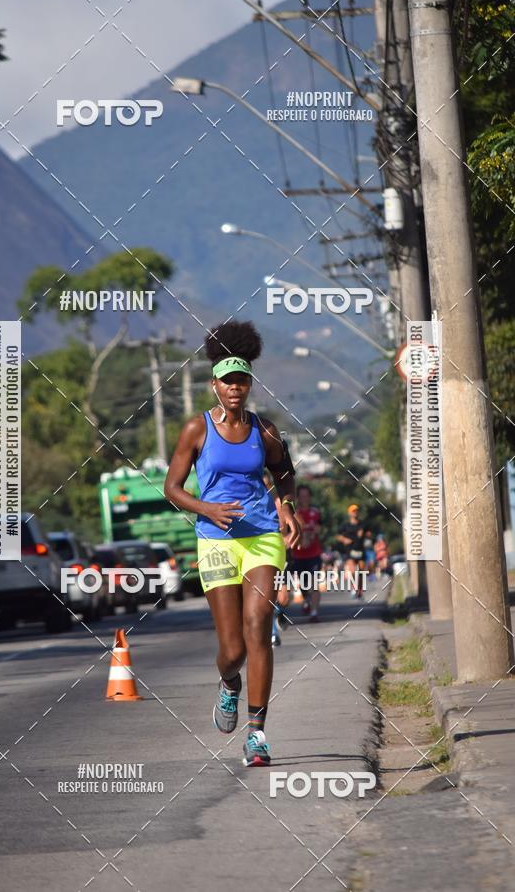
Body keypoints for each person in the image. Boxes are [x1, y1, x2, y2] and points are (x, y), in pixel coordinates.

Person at [164, 320, 301, 767]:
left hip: (261, 536)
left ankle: (257, 733)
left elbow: (284, 472)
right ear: (215, 386)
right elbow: (172, 487)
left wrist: (287, 508)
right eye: (228, 381)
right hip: (216, 540)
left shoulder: (266, 431)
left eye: (242, 380)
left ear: (249, 384)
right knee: (233, 650)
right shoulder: (196, 430)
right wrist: (207, 509)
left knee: (258, 623)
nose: (235, 388)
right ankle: (229, 685)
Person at [263, 471, 291, 647]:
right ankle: (272, 634)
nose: (264, 489)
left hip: (280, 556)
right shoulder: (250, 505)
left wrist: (288, 538)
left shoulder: (280, 504)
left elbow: (296, 523)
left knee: (283, 598)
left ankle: (280, 613)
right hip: (261, 556)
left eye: (267, 485)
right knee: (266, 597)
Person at [290, 484, 323, 622]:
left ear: (310, 497)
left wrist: (312, 534)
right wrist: (301, 538)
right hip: (298, 555)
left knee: (314, 583)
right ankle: (306, 599)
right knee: (304, 585)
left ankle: (314, 613)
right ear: (298, 498)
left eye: (307, 496)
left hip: (314, 553)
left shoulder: (315, 512)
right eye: (302, 496)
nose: (304, 498)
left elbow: (319, 528)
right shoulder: (293, 513)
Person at [335, 504, 366, 598]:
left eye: (356, 511)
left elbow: (369, 533)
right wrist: (344, 540)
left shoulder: (362, 524)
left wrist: (365, 534)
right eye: (353, 511)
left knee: (360, 571)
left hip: (360, 550)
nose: (355, 513)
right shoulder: (345, 525)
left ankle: (359, 589)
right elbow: (338, 536)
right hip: (349, 550)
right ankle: (354, 587)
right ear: (349, 513)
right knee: (352, 570)